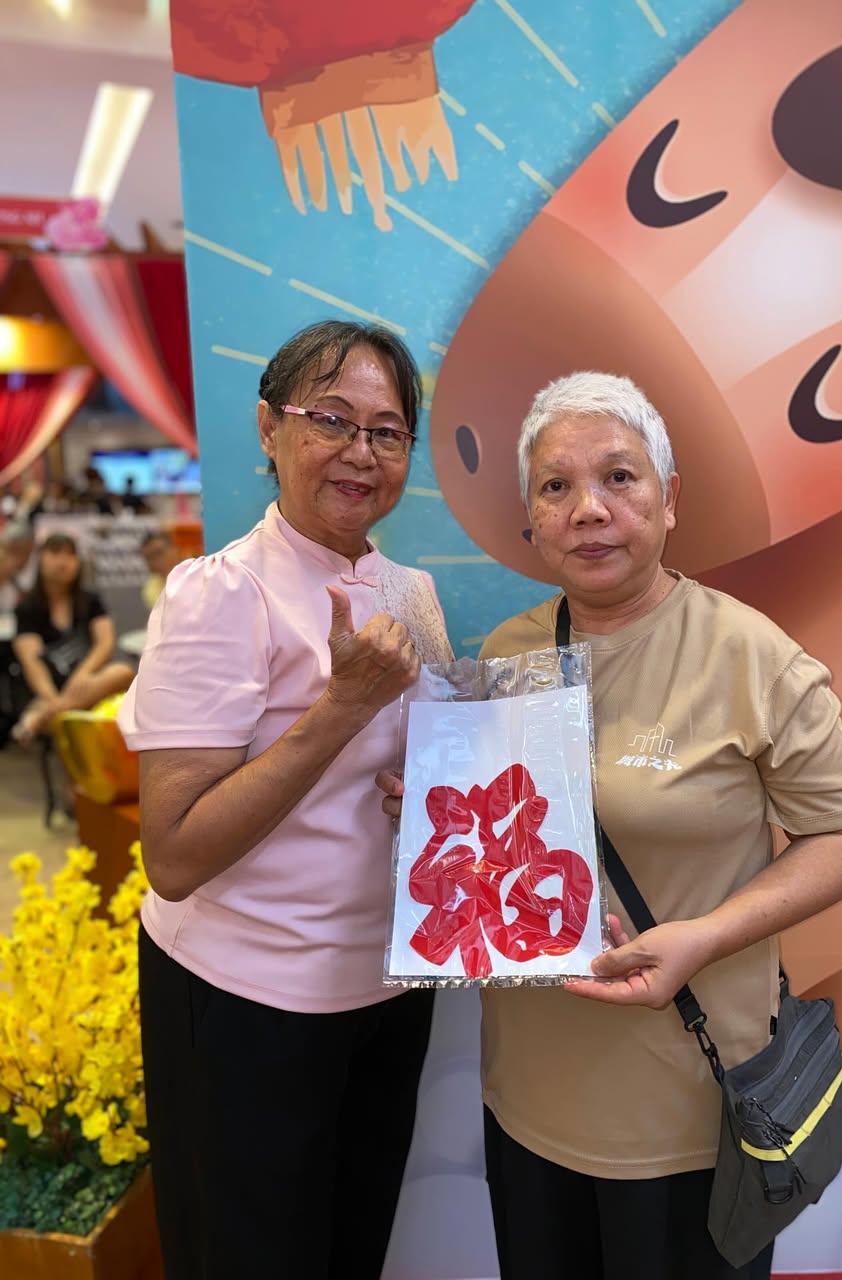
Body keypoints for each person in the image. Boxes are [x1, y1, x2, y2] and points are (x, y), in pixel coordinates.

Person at [378, 372, 842, 1280]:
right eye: (556, 486)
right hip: (528, 1099)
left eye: (619, 477)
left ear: (669, 497)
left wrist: (703, 937)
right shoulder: (507, 654)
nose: (588, 510)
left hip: (690, 1110)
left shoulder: (751, 654)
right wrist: (436, 818)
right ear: (531, 517)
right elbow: (506, 842)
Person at [116, 320, 453, 1280]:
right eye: (331, 420)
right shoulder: (219, 597)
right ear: (269, 428)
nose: (361, 453)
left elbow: (416, 778)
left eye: (388, 433)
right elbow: (174, 857)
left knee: (353, 1252)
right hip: (244, 1001)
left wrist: (427, 797)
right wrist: (341, 706)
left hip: (387, 990)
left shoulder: (412, 595)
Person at [11, 533, 134, 743]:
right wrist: (51, 697)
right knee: (47, 699)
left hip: (87, 682)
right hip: (50, 687)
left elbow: (104, 644)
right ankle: (53, 710)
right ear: (40, 559)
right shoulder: (28, 607)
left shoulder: (90, 600)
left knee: (122, 671)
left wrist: (81, 675)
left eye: (70, 555)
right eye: (55, 553)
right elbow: (32, 662)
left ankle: (43, 716)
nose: (63, 562)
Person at [139, 530, 181, 610]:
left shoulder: (197, 572)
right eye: (150, 557)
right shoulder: (150, 589)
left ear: (174, 549)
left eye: (159, 552)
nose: (157, 561)